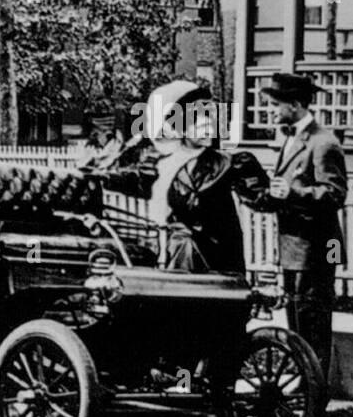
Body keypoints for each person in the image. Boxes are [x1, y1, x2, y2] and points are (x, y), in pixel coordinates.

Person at [84, 80, 267, 274]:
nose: (207, 126)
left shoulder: (227, 163)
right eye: (198, 120)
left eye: (210, 119)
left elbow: (259, 197)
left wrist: (275, 195)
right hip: (168, 248)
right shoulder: (162, 162)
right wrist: (99, 176)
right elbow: (139, 181)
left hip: (211, 255)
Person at [252, 72, 347, 377]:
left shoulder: (323, 143)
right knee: (296, 320)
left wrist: (292, 191)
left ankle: (315, 394)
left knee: (312, 323)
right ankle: (305, 386)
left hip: (316, 250)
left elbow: (334, 194)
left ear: (294, 104)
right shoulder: (292, 138)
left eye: (275, 104)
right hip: (294, 249)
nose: (271, 111)